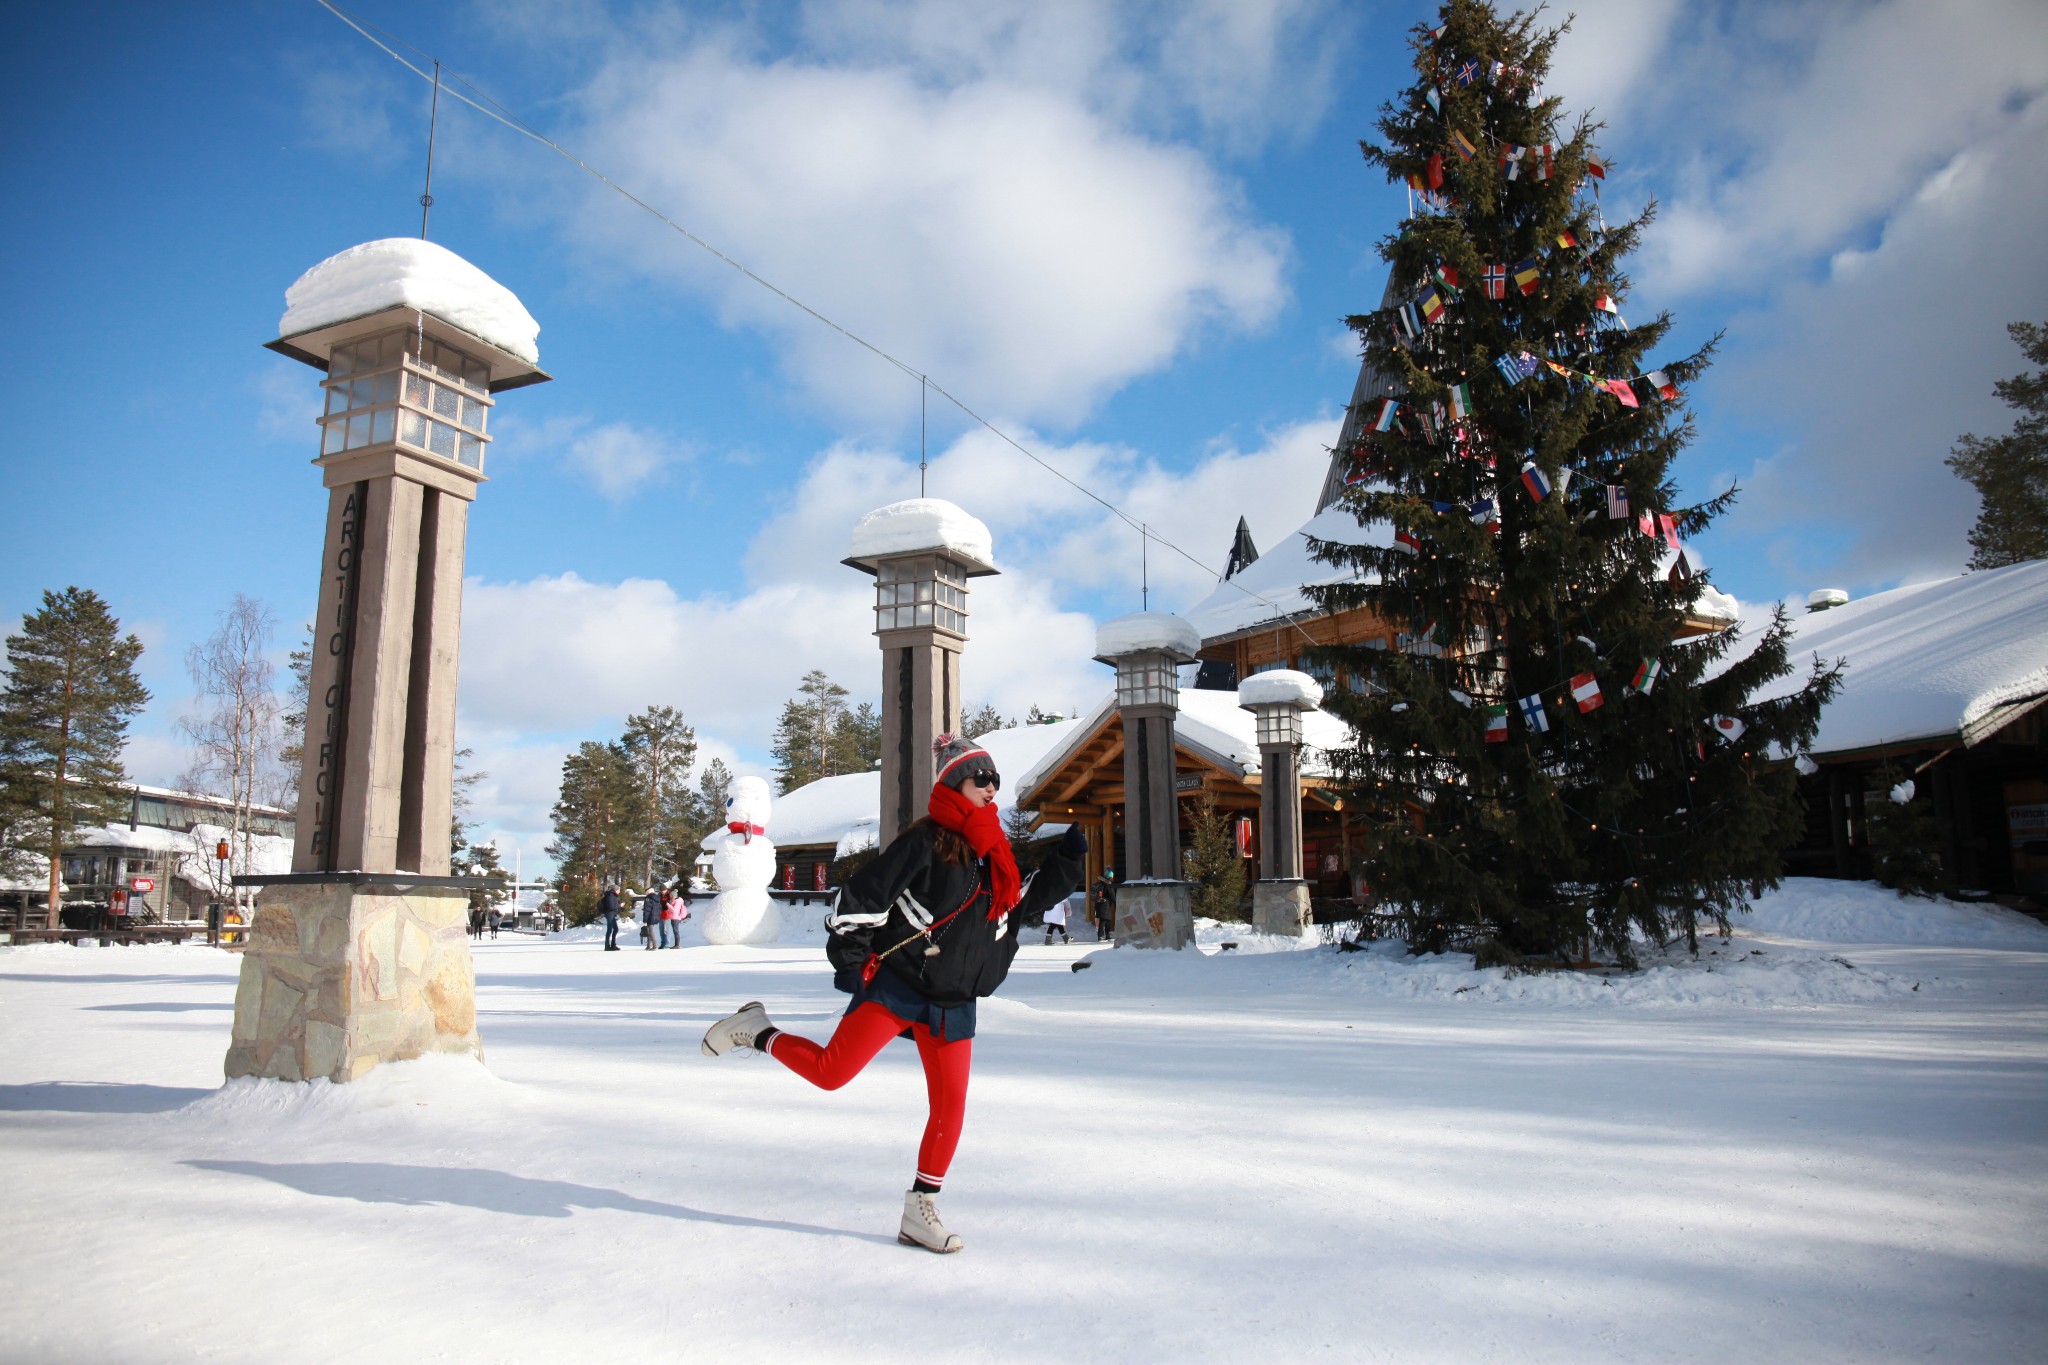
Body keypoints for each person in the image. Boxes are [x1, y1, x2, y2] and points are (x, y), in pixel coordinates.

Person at [702, 733, 1085, 1254]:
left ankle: (919, 1211)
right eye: (982, 779)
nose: (991, 788)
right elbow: (861, 897)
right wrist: (855, 965)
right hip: (901, 985)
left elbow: (1019, 904)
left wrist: (1068, 859)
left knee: (951, 1107)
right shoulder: (925, 841)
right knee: (831, 1072)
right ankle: (755, 1031)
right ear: (955, 782)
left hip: (954, 998)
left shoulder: (993, 848)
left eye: (995, 779)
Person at [598, 885, 622, 951]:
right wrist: (619, 905)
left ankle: (613, 944)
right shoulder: (610, 896)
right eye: (618, 890)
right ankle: (607, 945)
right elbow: (611, 906)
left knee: (615, 929)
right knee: (610, 929)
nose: (619, 891)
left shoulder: (613, 895)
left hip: (612, 914)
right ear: (615, 890)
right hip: (609, 914)